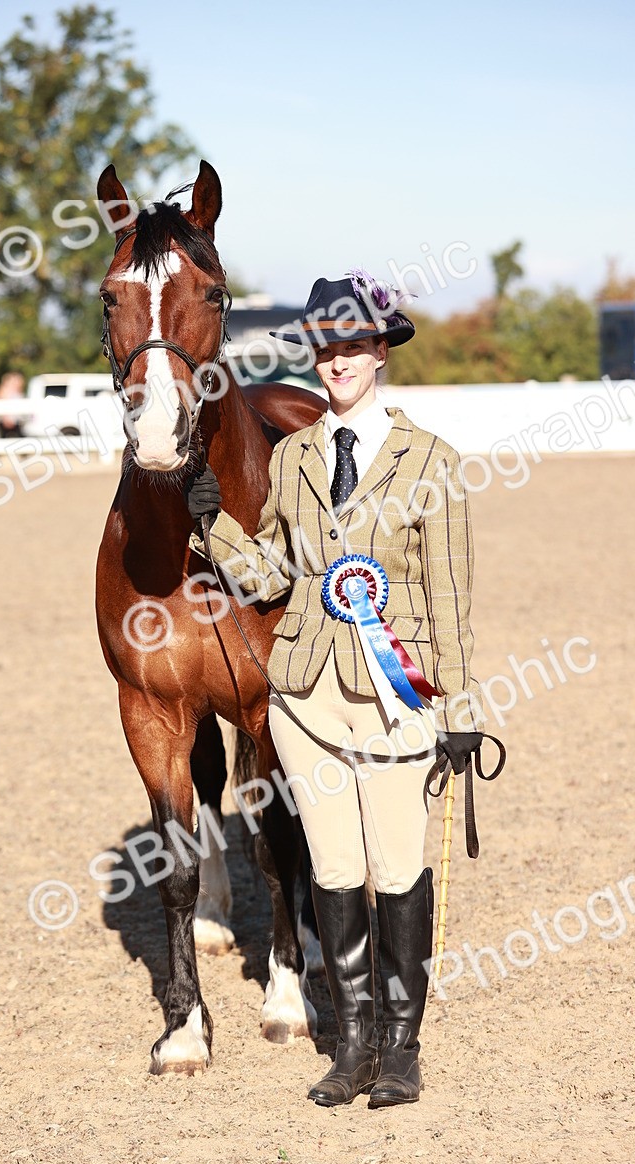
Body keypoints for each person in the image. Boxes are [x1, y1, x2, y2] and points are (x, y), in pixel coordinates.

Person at [185, 273, 485, 1109]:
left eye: (354, 343)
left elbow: (454, 598)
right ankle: (350, 1047)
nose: (338, 359)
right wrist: (215, 525)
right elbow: (274, 572)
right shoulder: (295, 455)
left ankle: (401, 1049)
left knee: (396, 871)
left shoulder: (433, 462)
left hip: (395, 694)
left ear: (380, 352)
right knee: (336, 872)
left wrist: (460, 711)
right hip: (305, 697)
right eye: (325, 345)